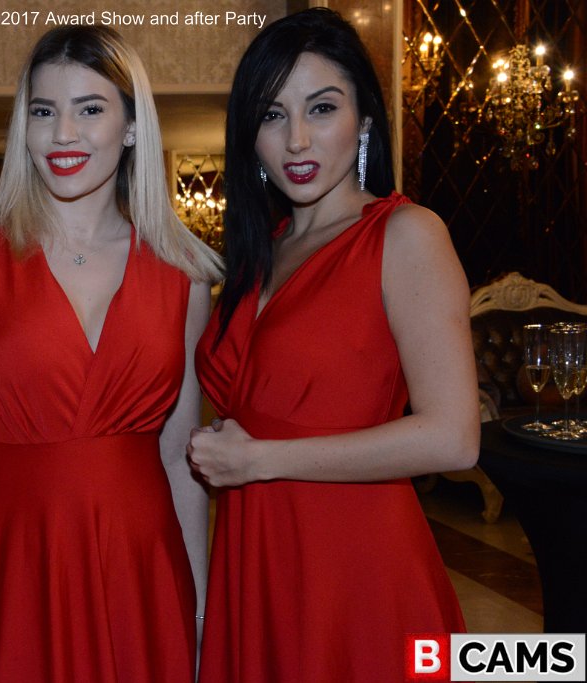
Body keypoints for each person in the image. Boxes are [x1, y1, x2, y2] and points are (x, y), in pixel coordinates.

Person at [0, 25, 222, 683]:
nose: (63, 134)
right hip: (12, 568)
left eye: (89, 109)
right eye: (43, 111)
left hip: (142, 573)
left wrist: (197, 614)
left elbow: (180, 459)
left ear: (132, 126)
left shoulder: (184, 273)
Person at [187, 8, 479, 682]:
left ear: (365, 118)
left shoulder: (406, 234)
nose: (296, 139)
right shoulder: (263, 252)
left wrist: (260, 459)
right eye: (272, 115)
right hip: (256, 557)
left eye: (322, 108)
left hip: (356, 565)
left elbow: (453, 438)